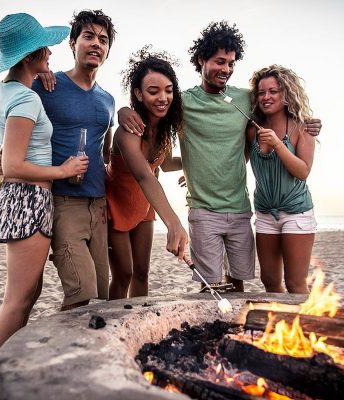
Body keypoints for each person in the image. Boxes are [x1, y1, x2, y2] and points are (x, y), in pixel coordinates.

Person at [119, 21, 322, 293]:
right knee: (210, 287)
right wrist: (123, 110)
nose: (225, 69)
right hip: (202, 209)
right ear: (202, 59)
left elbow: (276, 107)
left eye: (230, 63)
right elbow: (153, 112)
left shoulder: (246, 99)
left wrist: (309, 123)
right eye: (219, 61)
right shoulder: (182, 102)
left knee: (239, 285)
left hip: (240, 207)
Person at [0, 10, 116, 311]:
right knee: (82, 293)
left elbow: (105, 151)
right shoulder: (44, 84)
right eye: (88, 36)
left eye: (104, 40)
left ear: (108, 50)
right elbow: (7, 124)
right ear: (72, 43)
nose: (97, 44)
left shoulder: (108, 99)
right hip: (62, 201)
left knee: (102, 296)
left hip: (98, 205)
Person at [0, 13, 87, 359]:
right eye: (44, 51)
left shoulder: (6, 90)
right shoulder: (27, 100)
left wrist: (35, 69)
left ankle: (9, 364)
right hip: (27, 197)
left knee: (28, 294)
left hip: (19, 198)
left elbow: (4, 150)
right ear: (29, 57)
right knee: (17, 299)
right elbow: (13, 165)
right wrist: (64, 169)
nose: (51, 55)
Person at [106, 48, 188, 299]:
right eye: (153, 91)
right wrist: (173, 222)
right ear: (138, 94)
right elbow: (143, 175)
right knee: (124, 274)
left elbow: (164, 165)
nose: (163, 97)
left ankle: (138, 319)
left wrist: (195, 165)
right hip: (116, 204)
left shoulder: (164, 130)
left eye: (168, 90)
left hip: (145, 205)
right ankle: (113, 323)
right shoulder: (127, 130)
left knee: (142, 272)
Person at [247, 65, 316, 294]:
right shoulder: (251, 130)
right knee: (270, 281)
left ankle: (304, 328)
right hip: (265, 213)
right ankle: (279, 328)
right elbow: (234, 160)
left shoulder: (302, 127)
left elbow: (303, 171)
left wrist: (278, 144)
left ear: (286, 94)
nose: (266, 97)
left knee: (295, 283)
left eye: (273, 91)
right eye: (261, 92)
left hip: (296, 212)